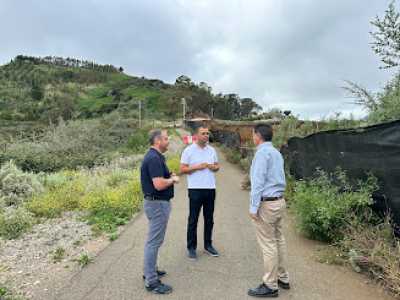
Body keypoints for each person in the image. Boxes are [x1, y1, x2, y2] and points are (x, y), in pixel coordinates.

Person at [247, 124, 290, 298]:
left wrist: (253, 207)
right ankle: (283, 277)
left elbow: (258, 182)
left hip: (267, 204)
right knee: (279, 239)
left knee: (268, 244)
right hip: (279, 201)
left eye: (253, 134)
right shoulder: (276, 153)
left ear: (258, 135)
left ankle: (270, 285)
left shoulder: (261, 153)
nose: (252, 137)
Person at [140, 129, 179, 295]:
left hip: (154, 203)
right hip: (157, 205)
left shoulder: (155, 157)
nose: (168, 141)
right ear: (157, 141)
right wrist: (172, 180)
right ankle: (151, 281)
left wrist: (168, 174)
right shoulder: (154, 158)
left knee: (154, 241)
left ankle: (151, 270)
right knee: (154, 242)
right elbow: (158, 184)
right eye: (165, 138)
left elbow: (159, 177)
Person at [180, 124, 220, 259]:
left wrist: (212, 167)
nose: (206, 135)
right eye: (203, 133)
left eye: (207, 133)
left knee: (209, 219)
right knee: (193, 219)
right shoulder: (188, 151)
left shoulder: (212, 150)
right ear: (196, 136)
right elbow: (183, 169)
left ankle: (208, 246)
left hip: (210, 188)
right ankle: (191, 248)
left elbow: (217, 166)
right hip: (195, 189)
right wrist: (197, 167)